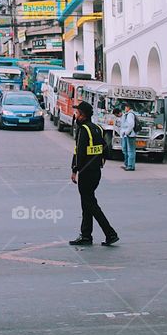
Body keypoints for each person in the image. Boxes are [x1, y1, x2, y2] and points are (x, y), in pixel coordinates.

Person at [69, 101, 118, 247]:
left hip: (85, 173)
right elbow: (105, 150)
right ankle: (86, 235)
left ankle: (110, 233)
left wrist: (74, 169)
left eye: (77, 114)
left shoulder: (83, 130)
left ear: (83, 116)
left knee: (90, 204)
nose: (75, 116)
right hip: (96, 172)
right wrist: (99, 163)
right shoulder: (98, 128)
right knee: (87, 203)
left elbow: (80, 152)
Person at [118, 103, 137, 172]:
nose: (125, 108)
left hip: (130, 135)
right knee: (126, 150)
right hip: (127, 135)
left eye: (126, 107)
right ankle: (127, 164)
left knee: (130, 151)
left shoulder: (130, 114)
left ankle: (130, 166)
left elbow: (131, 125)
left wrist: (126, 132)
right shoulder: (127, 114)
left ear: (128, 107)